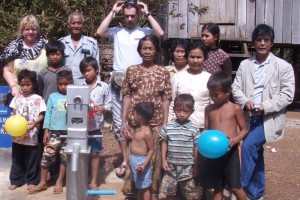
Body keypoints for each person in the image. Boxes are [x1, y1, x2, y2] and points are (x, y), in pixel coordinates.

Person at [96, 0, 164, 177]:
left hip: (142, 79)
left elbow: (160, 33)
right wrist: (113, 11)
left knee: (141, 120)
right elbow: (100, 32)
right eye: (126, 16)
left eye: (133, 16)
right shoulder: (117, 32)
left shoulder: (145, 31)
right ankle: (126, 160)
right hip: (118, 79)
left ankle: (144, 156)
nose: (130, 19)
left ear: (138, 16)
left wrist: (147, 12)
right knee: (121, 122)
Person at [232, 24, 295, 200]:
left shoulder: (283, 67)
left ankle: (239, 188)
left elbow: (287, 95)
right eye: (259, 40)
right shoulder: (245, 65)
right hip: (247, 118)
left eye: (266, 40)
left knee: (249, 146)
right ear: (254, 42)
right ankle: (257, 193)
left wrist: (265, 106)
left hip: (267, 119)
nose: (262, 43)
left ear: (271, 43)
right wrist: (245, 101)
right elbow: (236, 88)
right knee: (256, 153)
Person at [121, 34, 172, 199]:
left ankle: (153, 192)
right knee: (134, 157)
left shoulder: (163, 72)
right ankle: (136, 191)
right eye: (144, 48)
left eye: (151, 48)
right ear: (139, 50)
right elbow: (127, 96)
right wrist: (123, 121)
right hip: (135, 124)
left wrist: (164, 122)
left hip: (155, 123)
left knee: (154, 160)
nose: (147, 51)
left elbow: (166, 99)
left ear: (156, 50)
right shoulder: (132, 70)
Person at [199, 72, 247, 200]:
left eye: (216, 94)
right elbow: (206, 129)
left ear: (227, 92)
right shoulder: (208, 109)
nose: (213, 97)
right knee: (217, 186)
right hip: (213, 153)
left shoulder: (235, 108)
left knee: (235, 187)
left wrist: (235, 140)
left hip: (230, 153)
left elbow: (244, 130)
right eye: (211, 94)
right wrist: (203, 137)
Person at [28, 70, 73, 194]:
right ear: (57, 84)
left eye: (66, 84)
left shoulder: (74, 97)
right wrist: (46, 131)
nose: (63, 87)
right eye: (60, 84)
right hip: (53, 133)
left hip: (68, 134)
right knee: (46, 157)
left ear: (71, 83)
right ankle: (43, 182)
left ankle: (59, 181)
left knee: (64, 158)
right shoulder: (53, 97)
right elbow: (48, 115)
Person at [7, 69, 46, 191]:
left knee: (32, 160)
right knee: (16, 159)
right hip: (17, 137)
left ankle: (32, 180)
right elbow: (13, 114)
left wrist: (35, 122)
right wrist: (9, 123)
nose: (25, 87)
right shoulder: (17, 98)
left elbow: (42, 115)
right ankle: (15, 180)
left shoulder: (38, 98)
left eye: (28, 84)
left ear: (33, 84)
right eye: (22, 85)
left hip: (31, 136)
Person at [159, 94, 200, 200]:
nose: (182, 114)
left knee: (191, 194)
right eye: (178, 111)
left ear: (192, 111)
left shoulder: (194, 129)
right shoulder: (168, 126)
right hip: (170, 167)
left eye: (186, 112)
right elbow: (164, 142)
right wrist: (163, 160)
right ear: (174, 110)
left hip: (187, 167)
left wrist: (196, 165)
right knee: (169, 193)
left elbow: (196, 147)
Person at [79, 57, 111, 189]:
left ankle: (94, 181)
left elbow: (109, 104)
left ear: (96, 70)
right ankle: (82, 179)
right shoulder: (79, 87)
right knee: (81, 154)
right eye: (83, 71)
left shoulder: (103, 86)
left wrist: (103, 108)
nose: (85, 73)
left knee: (95, 154)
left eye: (88, 70)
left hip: (95, 126)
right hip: (81, 127)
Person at [1, 15, 48, 97]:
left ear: (37, 31)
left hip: (42, 92)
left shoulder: (46, 45)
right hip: (18, 94)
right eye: (27, 29)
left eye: (33, 29)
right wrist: (13, 87)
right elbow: (6, 71)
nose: (30, 32)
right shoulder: (13, 48)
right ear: (22, 30)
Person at [169, 41, 211, 129]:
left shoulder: (209, 78)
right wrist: (169, 124)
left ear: (205, 58)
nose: (195, 60)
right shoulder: (178, 77)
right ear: (187, 57)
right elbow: (172, 102)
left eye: (199, 57)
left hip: (202, 126)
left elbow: (212, 104)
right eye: (192, 57)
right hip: (179, 127)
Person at [59, 12, 99, 85]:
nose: (76, 26)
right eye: (73, 23)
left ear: (83, 25)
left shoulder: (92, 43)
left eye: (79, 23)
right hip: (65, 85)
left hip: (85, 84)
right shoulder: (61, 43)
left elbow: (96, 68)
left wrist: (97, 87)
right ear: (68, 25)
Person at [127, 102, 154, 200]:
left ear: (139, 116)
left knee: (145, 188)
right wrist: (130, 136)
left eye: (134, 114)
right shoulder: (138, 129)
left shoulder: (147, 132)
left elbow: (151, 150)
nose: (132, 116)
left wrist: (144, 165)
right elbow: (137, 141)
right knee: (139, 186)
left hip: (141, 162)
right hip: (135, 160)